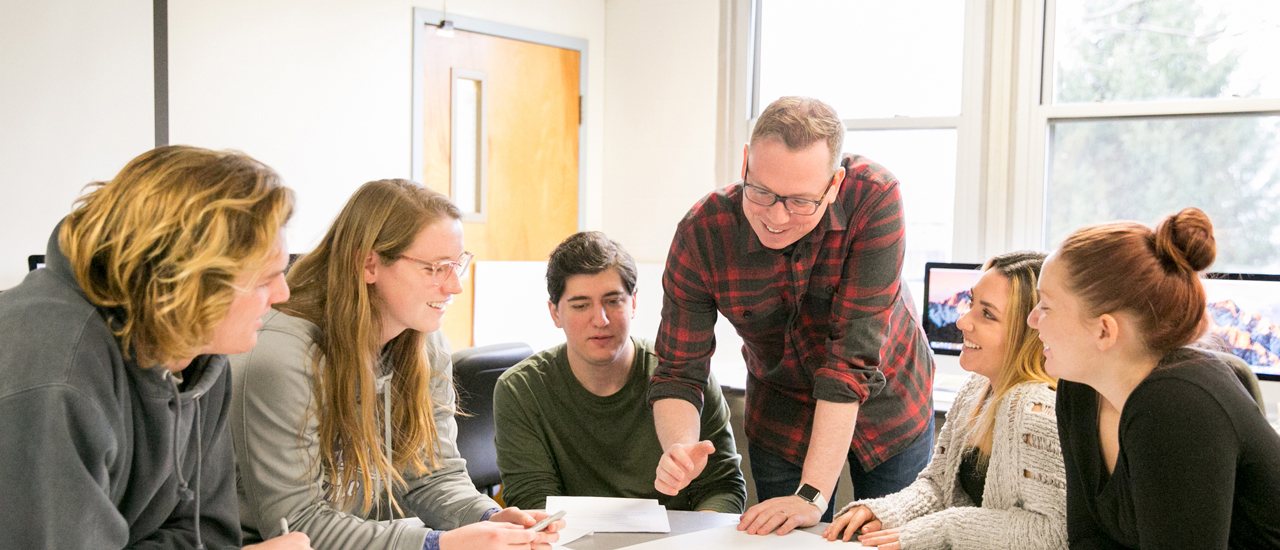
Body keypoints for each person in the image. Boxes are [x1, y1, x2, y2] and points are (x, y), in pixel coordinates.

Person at [649, 96, 935, 536]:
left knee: (886, 540)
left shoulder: (874, 198)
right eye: (761, 192)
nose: (777, 217)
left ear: (834, 183)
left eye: (801, 202)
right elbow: (678, 370)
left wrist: (812, 494)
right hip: (782, 413)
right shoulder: (702, 234)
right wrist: (679, 449)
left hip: (888, 406)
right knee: (784, 540)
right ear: (746, 162)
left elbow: (850, 361)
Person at [0, 146, 310, 549]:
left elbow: (207, 535)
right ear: (188, 281)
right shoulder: (53, 374)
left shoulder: (197, 355)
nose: (282, 294)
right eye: (264, 280)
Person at [230, 179, 562, 550]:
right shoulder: (283, 357)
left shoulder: (423, 340)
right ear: (368, 263)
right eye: (435, 268)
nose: (455, 287)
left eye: (458, 264)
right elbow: (297, 525)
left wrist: (488, 518)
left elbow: (432, 476)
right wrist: (436, 544)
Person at [1028, 207, 1280, 548]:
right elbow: (1089, 539)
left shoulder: (1177, 405)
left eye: (1045, 306)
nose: (1032, 320)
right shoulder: (1081, 389)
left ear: (1104, 331)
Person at [824, 251, 1066, 550]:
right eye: (970, 303)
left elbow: (1050, 533)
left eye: (988, 314)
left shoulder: (1038, 411)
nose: (963, 321)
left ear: (1031, 331)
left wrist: (944, 528)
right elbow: (937, 486)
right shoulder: (976, 388)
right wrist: (883, 512)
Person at [494, 231, 746, 512]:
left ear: (634, 304)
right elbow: (534, 502)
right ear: (555, 313)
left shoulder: (685, 374)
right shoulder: (520, 390)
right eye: (580, 305)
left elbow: (723, 488)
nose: (600, 320)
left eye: (613, 301)